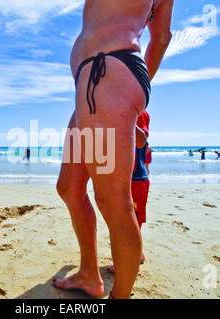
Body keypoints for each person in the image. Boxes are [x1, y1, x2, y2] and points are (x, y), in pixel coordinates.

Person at [54, 0, 173, 299]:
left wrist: (123, 86)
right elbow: (158, 37)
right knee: (69, 188)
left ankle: (120, 296)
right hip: (93, 80)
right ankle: (89, 275)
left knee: (112, 201)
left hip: (106, 72)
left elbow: (161, 38)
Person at [108, 111, 151, 275]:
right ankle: (137, 253)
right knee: (124, 220)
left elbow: (141, 140)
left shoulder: (140, 114)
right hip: (122, 177)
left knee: (132, 222)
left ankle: (129, 262)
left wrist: (123, 118)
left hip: (137, 179)